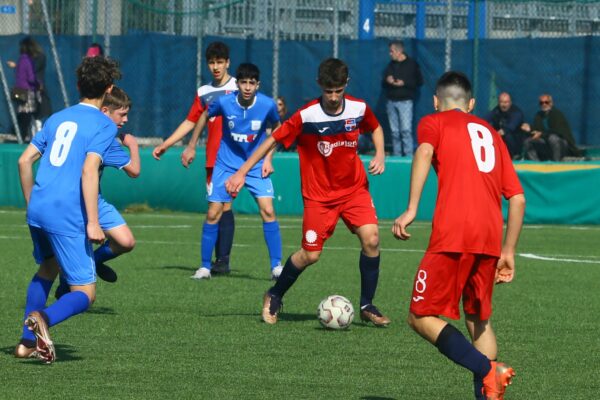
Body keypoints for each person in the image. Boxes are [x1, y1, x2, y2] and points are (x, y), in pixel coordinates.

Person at [226, 58, 390, 327]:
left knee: (371, 240)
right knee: (310, 255)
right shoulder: (307, 115)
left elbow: (375, 127)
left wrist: (380, 154)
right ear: (319, 86)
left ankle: (366, 304)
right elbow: (273, 139)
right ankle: (275, 293)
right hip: (319, 197)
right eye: (329, 91)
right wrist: (242, 171)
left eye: (338, 90)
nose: (334, 97)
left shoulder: (358, 108)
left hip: (354, 190)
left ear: (346, 85)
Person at [392, 71, 525, 399]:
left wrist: (411, 209)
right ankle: (488, 391)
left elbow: (423, 153)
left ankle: (488, 370)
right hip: (490, 238)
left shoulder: (433, 122)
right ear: (473, 104)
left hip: (454, 234)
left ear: (436, 102)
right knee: (478, 320)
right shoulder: (493, 133)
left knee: (419, 316)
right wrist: (508, 251)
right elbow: (518, 198)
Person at [14, 56, 121, 364]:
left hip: (39, 206)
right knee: (85, 293)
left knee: (48, 268)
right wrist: (93, 222)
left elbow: (23, 161)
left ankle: (25, 343)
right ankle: (42, 320)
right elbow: (90, 170)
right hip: (67, 212)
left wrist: (31, 204)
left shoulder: (57, 117)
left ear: (77, 86)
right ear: (109, 89)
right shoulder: (103, 123)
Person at [187, 62, 283, 280]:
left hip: (256, 164)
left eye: (252, 83)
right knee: (213, 213)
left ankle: (276, 266)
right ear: (237, 84)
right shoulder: (224, 102)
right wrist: (192, 144)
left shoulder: (267, 105)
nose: (247, 87)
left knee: (268, 210)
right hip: (226, 164)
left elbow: (278, 129)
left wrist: (268, 157)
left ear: (258, 85)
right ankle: (204, 267)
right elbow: (203, 115)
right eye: (243, 82)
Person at [152, 41, 237, 274]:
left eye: (220, 62)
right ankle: (221, 262)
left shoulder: (240, 88)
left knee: (221, 206)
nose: (216, 67)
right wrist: (167, 144)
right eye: (212, 62)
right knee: (221, 207)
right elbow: (190, 121)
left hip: (236, 157)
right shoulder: (204, 92)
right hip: (213, 157)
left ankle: (219, 262)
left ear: (228, 63)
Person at [54, 86, 140, 299]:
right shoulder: (105, 139)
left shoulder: (96, 132)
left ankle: (93, 260)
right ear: (105, 112)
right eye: (122, 114)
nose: (126, 119)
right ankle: (54, 300)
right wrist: (133, 145)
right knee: (58, 268)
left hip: (94, 199)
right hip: (70, 201)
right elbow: (134, 171)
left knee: (126, 241)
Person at [382, 40, 423, 156]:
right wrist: (387, 80)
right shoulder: (390, 65)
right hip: (391, 102)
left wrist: (404, 83)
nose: (390, 54)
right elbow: (383, 83)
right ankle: (397, 155)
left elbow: (419, 82)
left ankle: (409, 156)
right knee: (395, 132)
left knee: (405, 130)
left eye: (392, 51)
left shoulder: (412, 65)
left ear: (399, 51)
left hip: (405, 102)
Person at [521, 94, 581, 161]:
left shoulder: (557, 114)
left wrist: (541, 134)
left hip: (562, 145)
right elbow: (537, 130)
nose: (544, 104)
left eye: (546, 102)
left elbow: (557, 131)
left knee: (553, 138)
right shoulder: (538, 115)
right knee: (528, 141)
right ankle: (536, 163)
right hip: (546, 144)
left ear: (551, 103)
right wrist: (529, 129)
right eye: (541, 103)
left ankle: (556, 162)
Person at [9, 37, 40, 141]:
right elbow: (31, 78)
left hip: (19, 90)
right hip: (27, 91)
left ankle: (18, 134)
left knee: (22, 113)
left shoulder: (21, 59)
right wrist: (37, 85)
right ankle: (21, 136)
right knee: (27, 115)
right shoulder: (28, 60)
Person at [484, 92, 525, 159]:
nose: (504, 105)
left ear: (510, 102)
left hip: (515, 142)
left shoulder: (516, 112)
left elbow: (511, 126)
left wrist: (500, 133)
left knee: (506, 135)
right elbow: (485, 119)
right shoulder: (497, 110)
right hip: (499, 139)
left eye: (506, 102)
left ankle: (513, 156)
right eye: (502, 102)